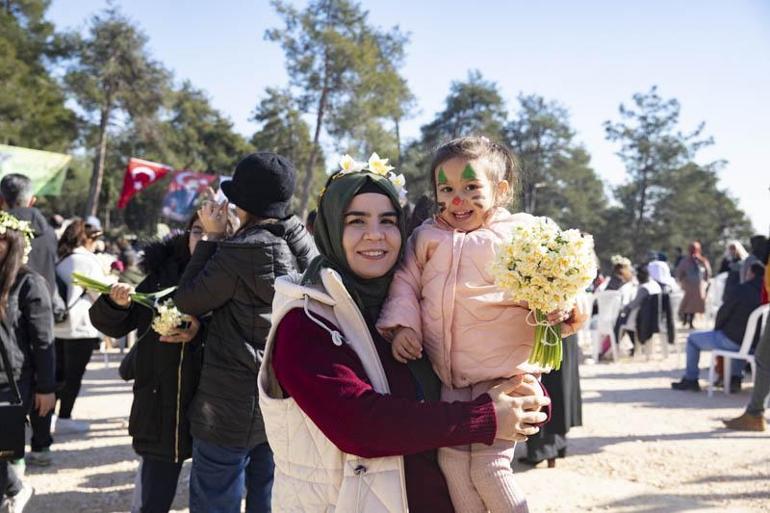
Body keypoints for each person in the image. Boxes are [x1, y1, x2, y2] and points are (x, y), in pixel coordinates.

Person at [257, 165, 552, 513]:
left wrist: (524, 395)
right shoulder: (305, 321)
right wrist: (485, 417)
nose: (375, 234)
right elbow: (360, 424)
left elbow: (475, 361)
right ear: (331, 228)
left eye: (387, 220)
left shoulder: (416, 307)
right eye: (356, 221)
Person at [375, 137, 582, 513]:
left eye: (472, 187)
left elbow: (560, 278)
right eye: (447, 188)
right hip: (453, 378)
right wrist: (405, 326)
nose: (458, 200)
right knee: (452, 464)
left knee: (489, 466)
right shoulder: (425, 237)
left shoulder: (520, 235)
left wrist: (561, 307)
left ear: (500, 191)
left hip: (507, 376)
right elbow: (405, 284)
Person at [174, 152, 317, 513]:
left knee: (216, 495)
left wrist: (209, 237)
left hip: (226, 404)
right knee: (267, 495)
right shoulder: (302, 245)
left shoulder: (238, 252)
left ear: (242, 202)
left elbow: (188, 299)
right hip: (281, 393)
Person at [89, 213, 219, 513]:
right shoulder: (163, 273)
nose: (202, 238)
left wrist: (201, 330)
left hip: (213, 404)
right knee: (154, 496)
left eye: (214, 232)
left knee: (210, 495)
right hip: (160, 400)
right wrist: (115, 304)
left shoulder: (232, 274)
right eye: (197, 230)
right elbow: (116, 326)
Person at [0, 173, 60, 467]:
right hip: (40, 312)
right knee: (38, 381)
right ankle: (38, 446)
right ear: (32, 199)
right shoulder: (48, 231)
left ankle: (12, 474)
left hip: (18, 308)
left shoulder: (7, 230)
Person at [53, 218, 111, 434]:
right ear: (88, 239)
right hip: (79, 327)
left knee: (56, 375)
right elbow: (101, 294)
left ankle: (46, 417)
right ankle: (64, 418)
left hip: (56, 325)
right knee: (73, 376)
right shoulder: (87, 261)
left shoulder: (60, 258)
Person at [672, 262, 764, 392]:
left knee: (692, 339)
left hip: (734, 341)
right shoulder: (766, 292)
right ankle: (735, 378)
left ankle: (691, 379)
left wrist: (718, 329)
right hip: (757, 344)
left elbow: (723, 313)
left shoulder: (741, 290)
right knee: (743, 340)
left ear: (751, 273)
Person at [519, 334, 582, 468]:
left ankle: (542, 450)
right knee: (559, 382)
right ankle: (558, 444)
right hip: (563, 330)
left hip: (547, 330)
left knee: (546, 381)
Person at [675, 241, 711, 329]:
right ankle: (685, 318)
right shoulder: (685, 261)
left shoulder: (701, 260)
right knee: (687, 304)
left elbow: (707, 271)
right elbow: (680, 271)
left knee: (695, 305)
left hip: (698, 285)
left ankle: (690, 321)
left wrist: (706, 280)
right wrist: (681, 280)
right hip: (688, 285)